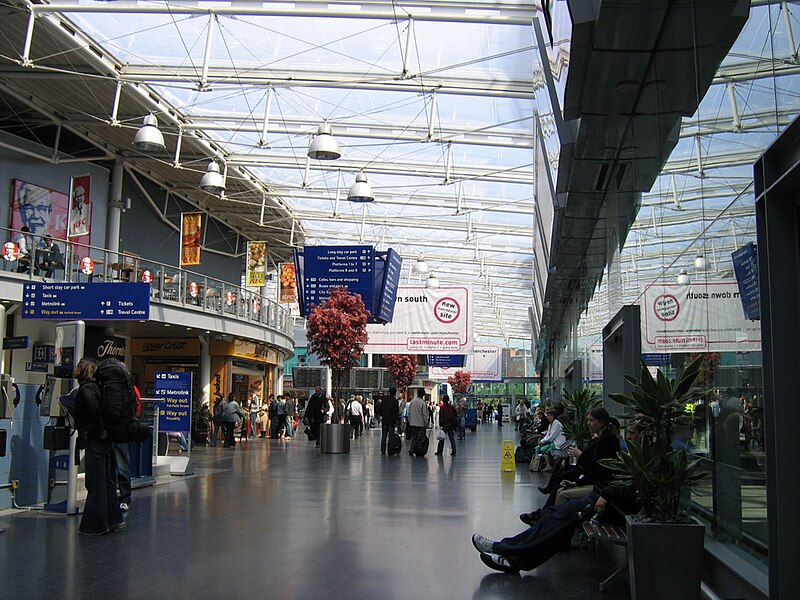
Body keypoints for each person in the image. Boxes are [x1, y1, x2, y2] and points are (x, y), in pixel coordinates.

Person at [73, 357, 125, 535]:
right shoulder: (100, 389)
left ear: (86, 369)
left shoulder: (87, 391)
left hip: (96, 439)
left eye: (79, 366)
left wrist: (101, 428)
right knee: (107, 480)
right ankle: (114, 519)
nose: (75, 368)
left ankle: (95, 525)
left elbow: (95, 413)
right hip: (107, 439)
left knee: (95, 481)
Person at [406, 388, 429, 454]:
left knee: (413, 437)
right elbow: (424, 414)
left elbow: (409, 412)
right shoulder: (422, 403)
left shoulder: (412, 401)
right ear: (423, 395)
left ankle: (411, 449)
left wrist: (409, 420)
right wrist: (426, 422)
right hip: (420, 423)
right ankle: (418, 449)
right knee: (420, 437)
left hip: (413, 423)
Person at [379, 387, 400, 455]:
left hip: (385, 420)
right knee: (391, 436)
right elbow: (396, 412)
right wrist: (395, 420)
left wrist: (383, 415)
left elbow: (380, 410)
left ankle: (383, 450)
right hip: (391, 421)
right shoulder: (395, 401)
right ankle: (390, 449)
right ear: (395, 392)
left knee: (384, 436)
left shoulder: (384, 400)